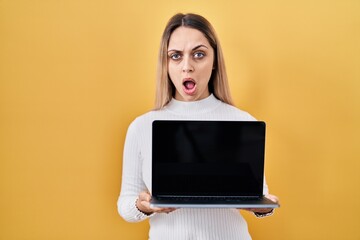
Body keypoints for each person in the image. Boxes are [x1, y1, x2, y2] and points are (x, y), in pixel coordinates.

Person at [117, 13, 279, 240]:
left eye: (199, 54)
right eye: (175, 56)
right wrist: (142, 205)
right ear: (165, 64)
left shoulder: (242, 122)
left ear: (214, 62)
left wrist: (264, 206)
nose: (187, 67)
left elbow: (259, 194)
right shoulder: (142, 127)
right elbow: (125, 204)